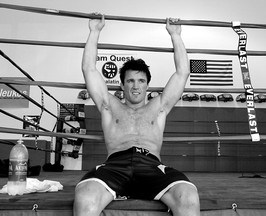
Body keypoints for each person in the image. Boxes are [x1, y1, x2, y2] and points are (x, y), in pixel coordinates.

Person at [74, 14, 200, 216]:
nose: (135, 86)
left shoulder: (158, 107)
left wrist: (176, 35)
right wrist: (94, 32)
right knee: (85, 196)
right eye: (130, 81)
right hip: (115, 165)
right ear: (122, 85)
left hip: (151, 166)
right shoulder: (109, 105)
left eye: (141, 81)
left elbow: (182, 73)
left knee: (188, 196)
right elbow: (89, 69)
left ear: (147, 85)